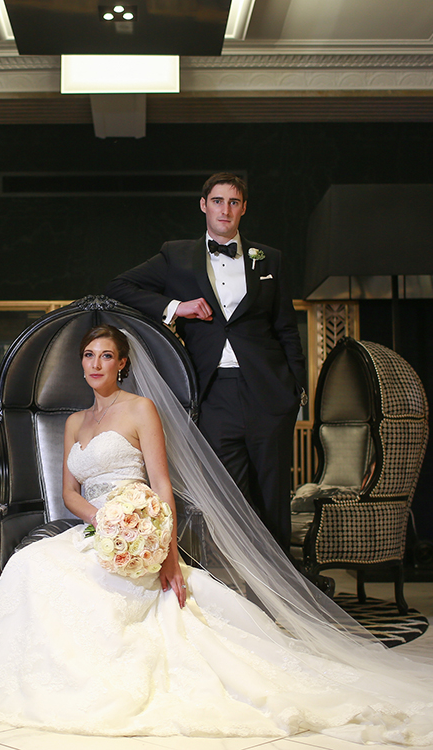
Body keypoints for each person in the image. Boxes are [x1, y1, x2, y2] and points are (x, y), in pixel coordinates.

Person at [0, 324, 433, 749]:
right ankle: (50, 682)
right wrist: (104, 526)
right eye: (87, 358)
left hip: (142, 529)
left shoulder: (140, 410)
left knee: (148, 608)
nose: (95, 366)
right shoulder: (73, 424)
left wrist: (151, 541)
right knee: (35, 571)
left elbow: (160, 486)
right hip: (99, 529)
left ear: (121, 363)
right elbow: (66, 492)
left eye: (105, 357)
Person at [104, 173, 304, 555]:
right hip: (211, 394)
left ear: (243, 208)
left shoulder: (270, 259)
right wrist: (177, 308)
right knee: (225, 498)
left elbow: (286, 329)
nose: (225, 209)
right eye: (217, 201)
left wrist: (295, 389)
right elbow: (119, 287)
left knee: (273, 495)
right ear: (203, 205)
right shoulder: (176, 255)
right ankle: (234, 589)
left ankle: (280, 592)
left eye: (233, 202)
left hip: (268, 393)